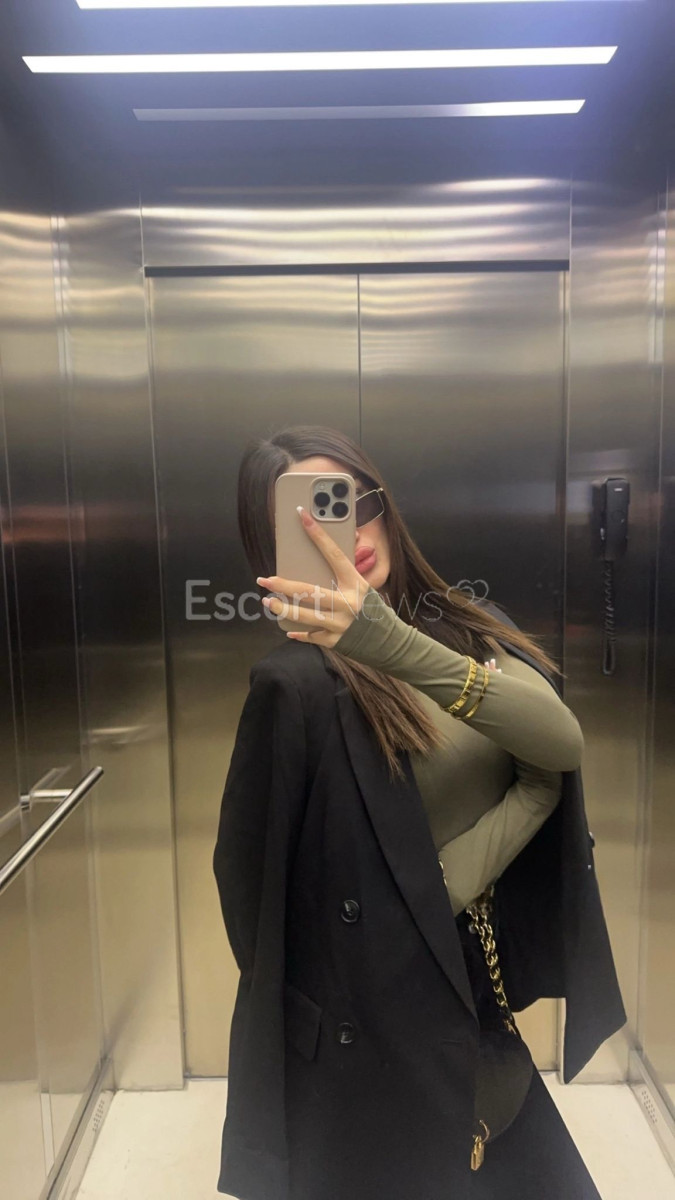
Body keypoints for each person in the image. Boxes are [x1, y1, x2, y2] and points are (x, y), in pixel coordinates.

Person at [213, 424, 627, 1200]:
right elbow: (254, 902)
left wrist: (390, 640)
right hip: (374, 1033)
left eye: (347, 505)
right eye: (306, 521)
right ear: (271, 551)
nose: (343, 536)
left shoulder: (467, 626)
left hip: (475, 1006)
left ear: (382, 504)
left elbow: (558, 743)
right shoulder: (292, 688)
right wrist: (496, 832)